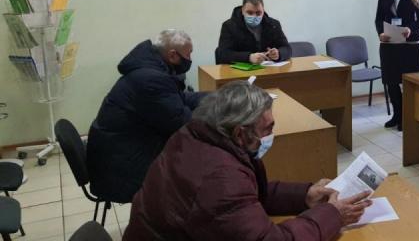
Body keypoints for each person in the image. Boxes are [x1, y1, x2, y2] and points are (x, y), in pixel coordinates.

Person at [123, 81, 371, 240]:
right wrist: (332, 215)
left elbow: (246, 197)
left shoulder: (193, 136)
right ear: (240, 133)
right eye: (267, 128)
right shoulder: (219, 177)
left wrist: (304, 195)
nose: (271, 135)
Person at [87, 30, 207, 203]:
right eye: (188, 54)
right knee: (199, 163)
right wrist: (218, 113)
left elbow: (178, 99)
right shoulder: (151, 79)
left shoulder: (150, 69)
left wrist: (216, 96)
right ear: (173, 55)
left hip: (118, 156)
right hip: (122, 173)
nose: (190, 59)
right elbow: (183, 123)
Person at [375, 0, 419, 131]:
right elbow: (378, 19)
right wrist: (380, 34)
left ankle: (407, 117)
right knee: (391, 81)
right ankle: (397, 115)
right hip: (390, 44)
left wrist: (410, 28)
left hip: (410, 45)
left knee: (409, 82)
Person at [215, 0, 292, 64]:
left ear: (263, 10)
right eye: (250, 13)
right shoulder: (229, 26)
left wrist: (279, 53)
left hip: (268, 69)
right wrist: (249, 57)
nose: (254, 16)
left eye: (258, 13)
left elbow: (287, 48)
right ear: (242, 10)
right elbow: (223, 54)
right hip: (239, 71)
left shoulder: (273, 25)